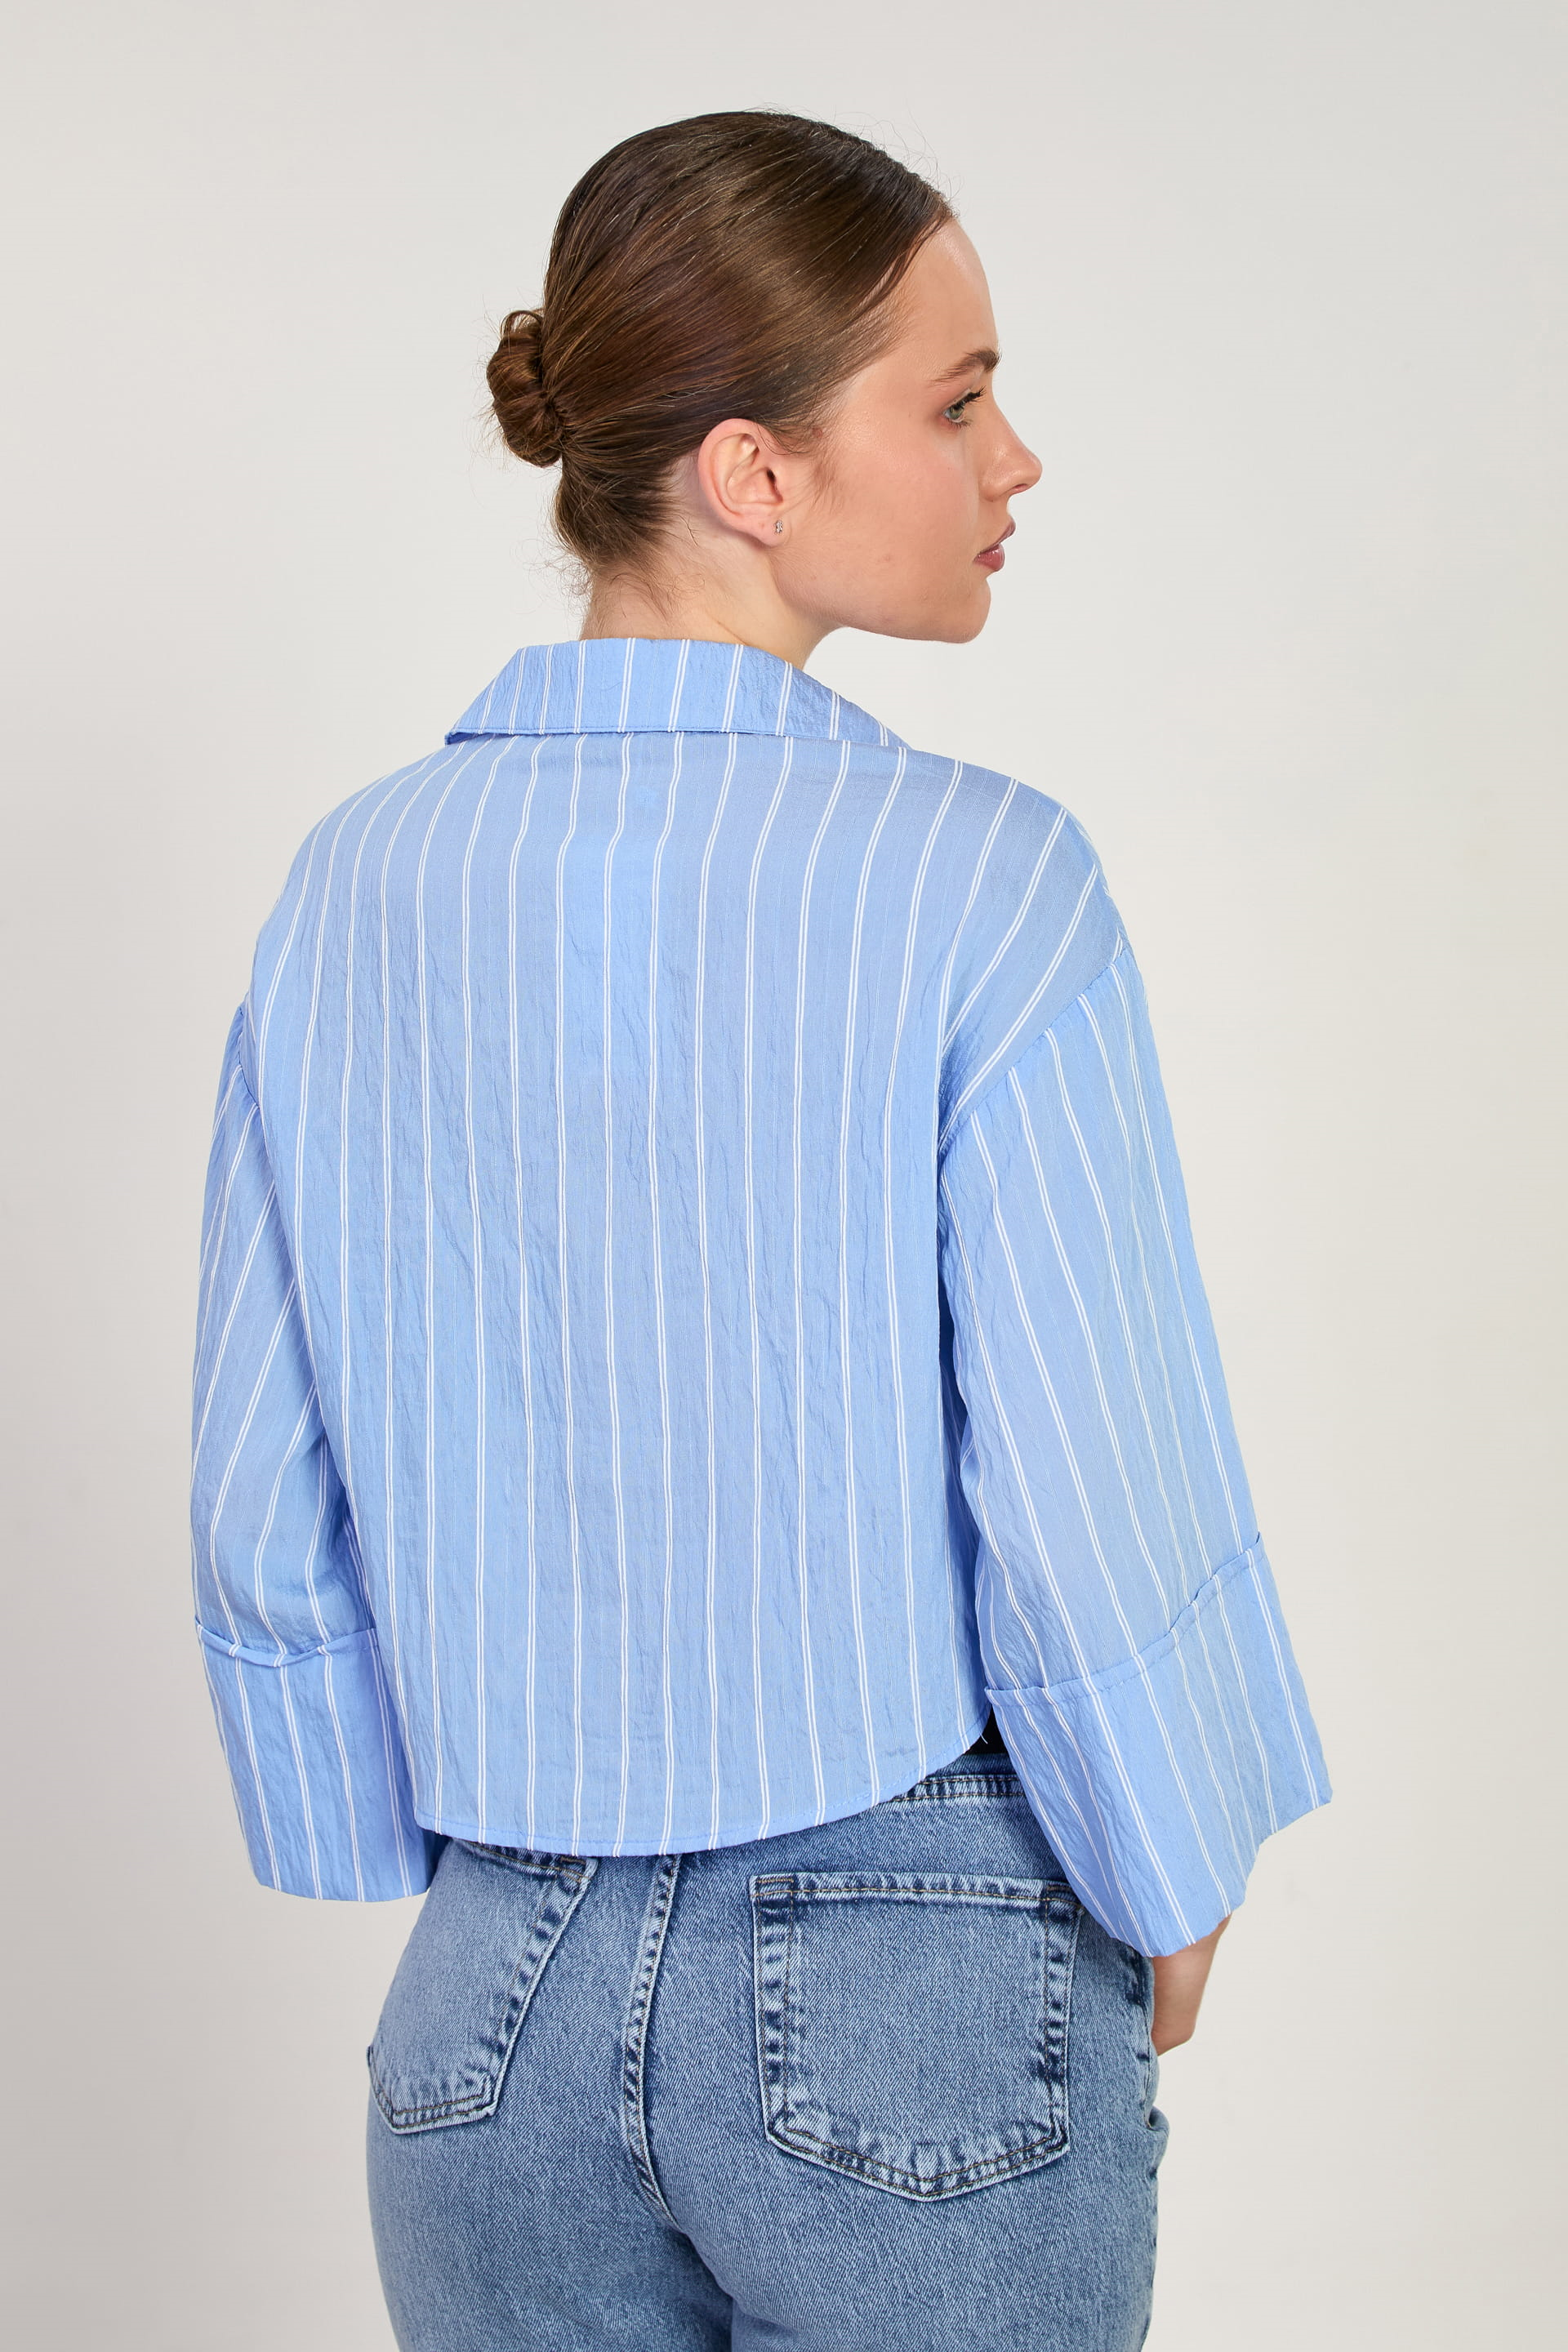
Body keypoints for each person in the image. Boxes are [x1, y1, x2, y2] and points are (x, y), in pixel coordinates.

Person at [190, 109, 1330, 2352]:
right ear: (752, 471)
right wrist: (1172, 1851)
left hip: (489, 1990)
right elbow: (1088, 1471)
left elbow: (260, 1465)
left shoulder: (354, 886)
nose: (1016, 458)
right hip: (918, 1969)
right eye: (958, 398)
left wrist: (354, 1808)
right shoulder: (983, 878)